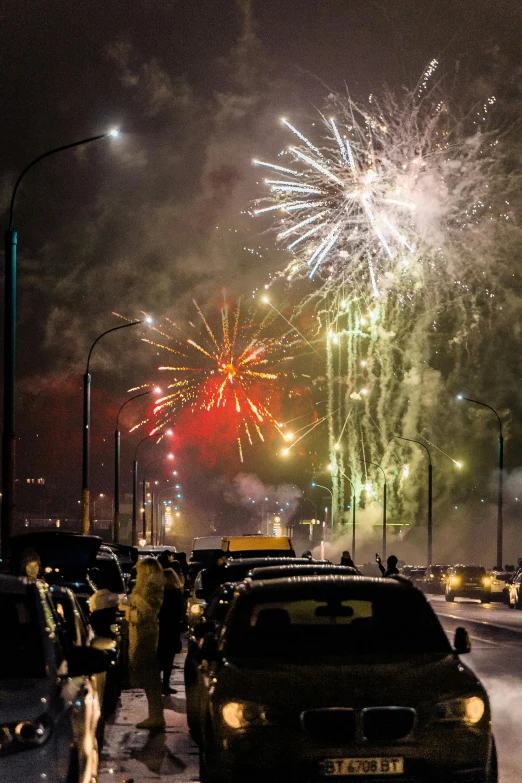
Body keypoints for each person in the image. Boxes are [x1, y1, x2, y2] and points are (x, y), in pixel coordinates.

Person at [122, 557, 165, 730]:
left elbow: (143, 615)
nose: (137, 575)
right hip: (145, 634)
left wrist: (126, 610)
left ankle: (156, 717)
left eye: (139, 571)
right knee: (150, 678)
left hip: (144, 635)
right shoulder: (153, 588)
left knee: (149, 677)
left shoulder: (149, 589)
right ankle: (155, 716)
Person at [157, 554, 184, 695]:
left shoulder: (158, 593)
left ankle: (158, 683)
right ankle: (165, 684)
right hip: (171, 628)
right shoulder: (176, 594)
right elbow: (180, 613)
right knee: (168, 659)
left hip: (159, 627)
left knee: (159, 657)